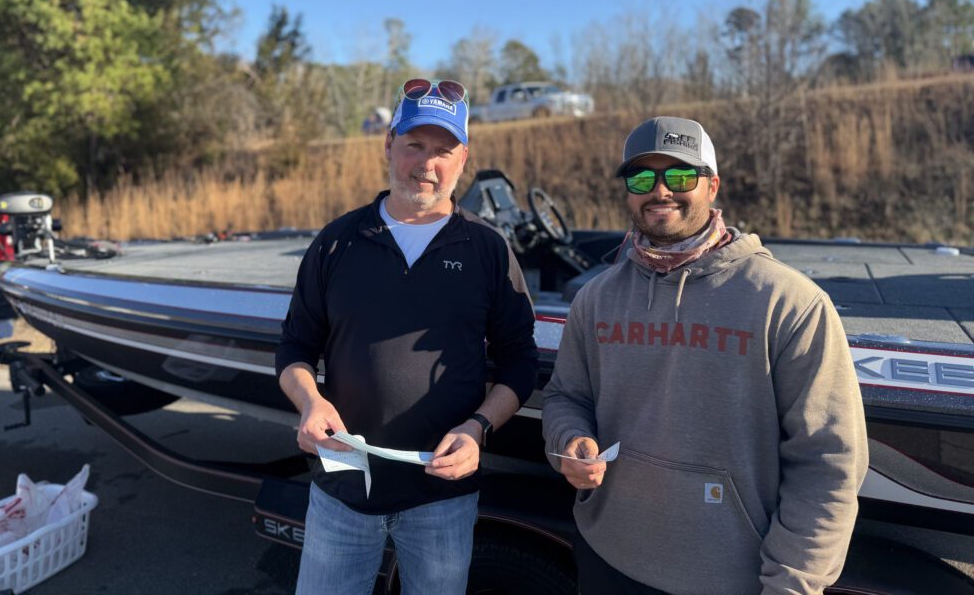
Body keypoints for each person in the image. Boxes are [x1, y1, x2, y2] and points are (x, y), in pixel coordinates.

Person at [541, 116, 868, 595]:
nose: (660, 191)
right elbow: (565, 397)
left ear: (712, 186)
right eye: (641, 178)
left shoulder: (789, 303)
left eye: (679, 176)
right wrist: (569, 440)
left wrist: (793, 584)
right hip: (606, 557)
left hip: (734, 579)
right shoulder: (596, 298)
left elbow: (828, 462)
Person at [276, 78, 538, 595]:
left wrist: (478, 427)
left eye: (444, 151)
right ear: (388, 144)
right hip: (341, 485)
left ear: (464, 159)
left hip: (442, 496)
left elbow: (519, 362)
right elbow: (294, 349)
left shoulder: (487, 248)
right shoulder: (338, 241)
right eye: (415, 145)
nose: (427, 164)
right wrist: (309, 402)